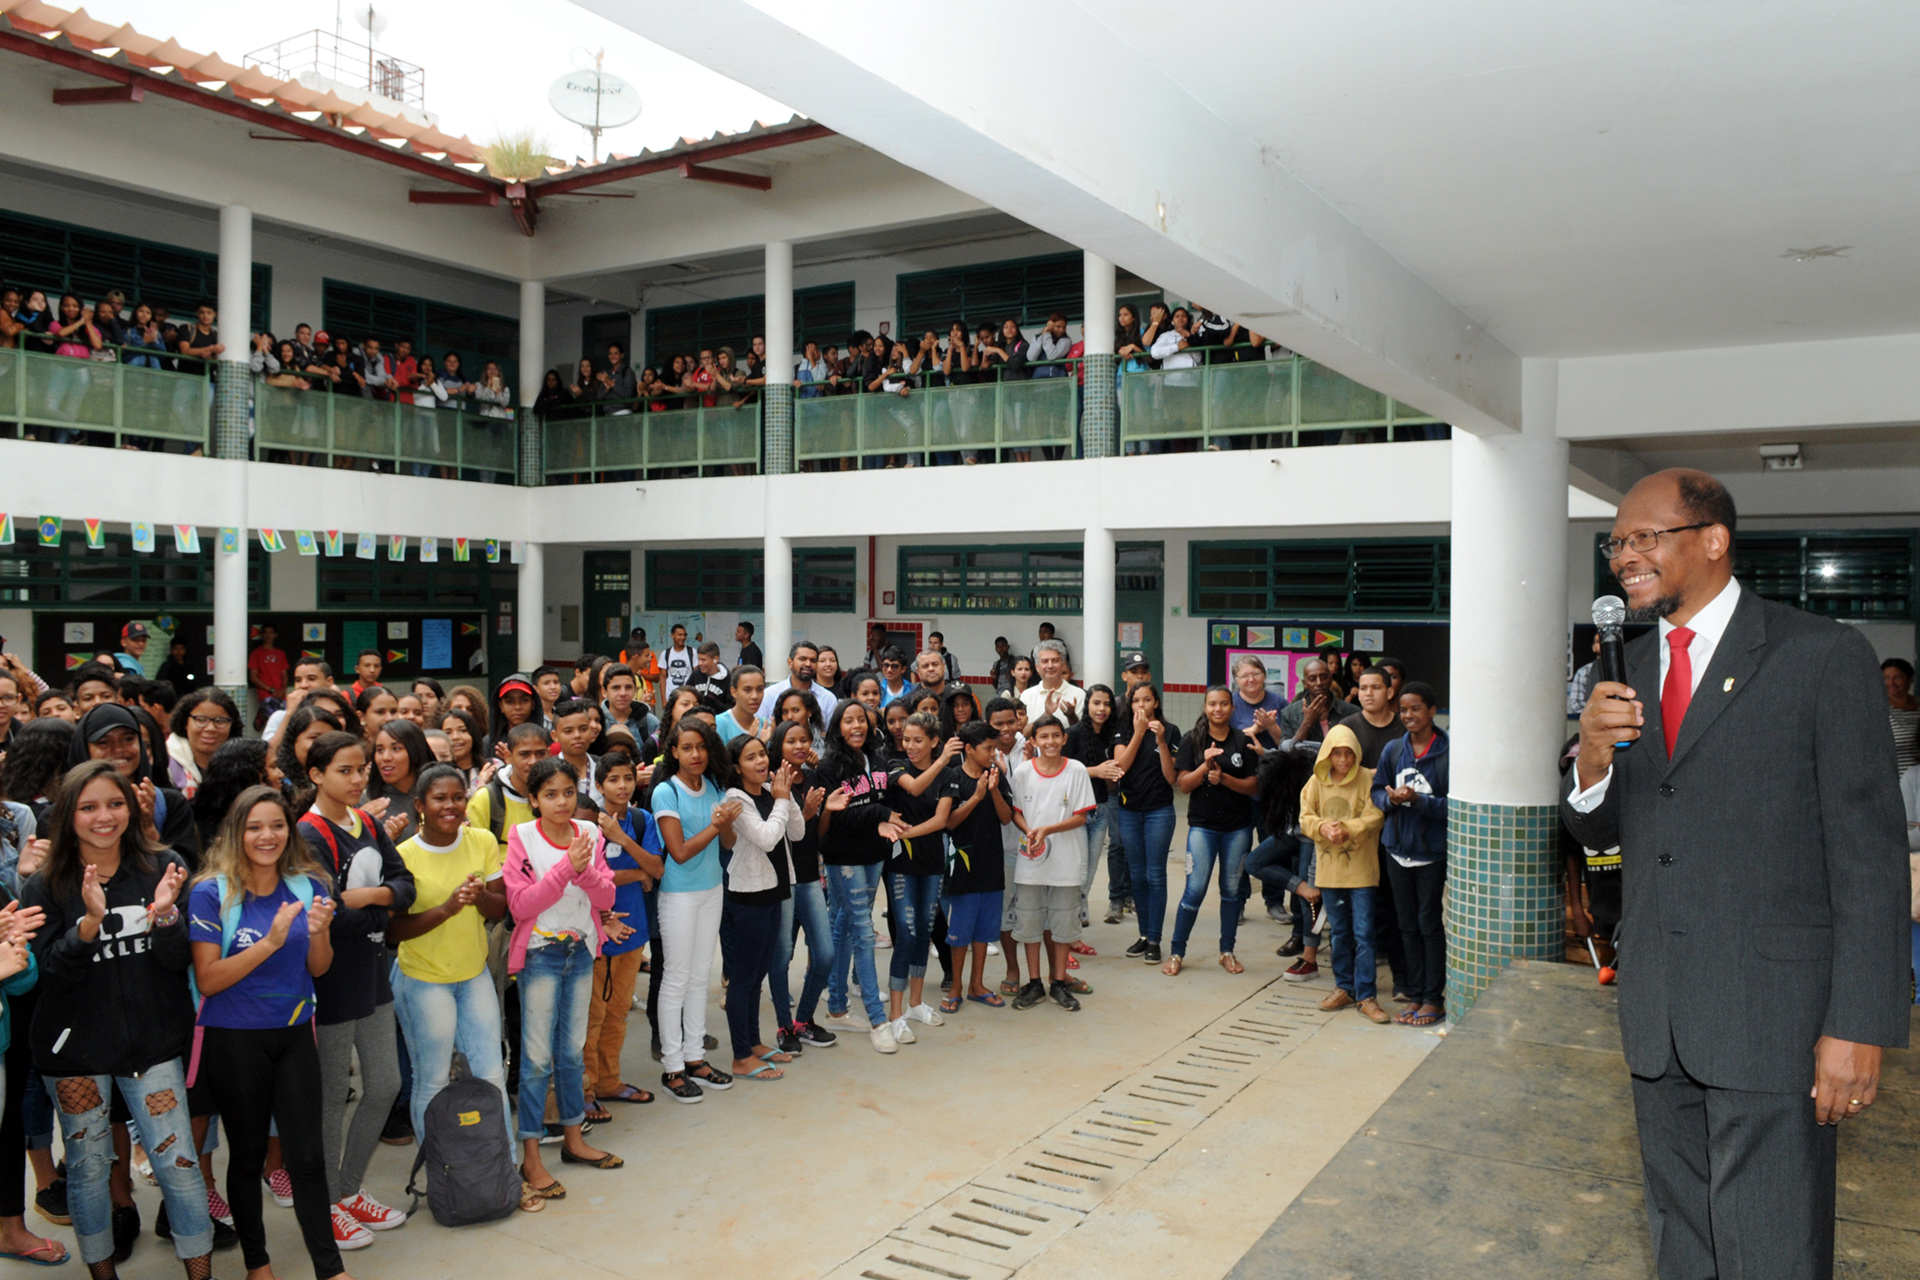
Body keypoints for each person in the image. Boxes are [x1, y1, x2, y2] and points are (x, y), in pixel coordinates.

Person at [1564, 468, 1910, 1278]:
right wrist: (1589, 756)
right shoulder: (1629, 672)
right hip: (1660, 1014)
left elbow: (1870, 860)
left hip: (1775, 1019)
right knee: (1681, 1241)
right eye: (1616, 543)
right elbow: (1599, 833)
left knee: (1772, 1246)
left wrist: (1859, 1023)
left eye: (1644, 538)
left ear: (1713, 540)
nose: (1623, 558)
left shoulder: (1821, 657)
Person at [23, 760, 217, 1280]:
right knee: (88, 1171)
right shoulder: (45, 886)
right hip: (74, 1055)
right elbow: (44, 977)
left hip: (153, 1048)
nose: (103, 817)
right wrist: (87, 925)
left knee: (179, 1168)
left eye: (114, 804)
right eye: (88, 807)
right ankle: (102, 1275)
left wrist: (167, 917)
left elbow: (180, 964)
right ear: (68, 816)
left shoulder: (164, 865)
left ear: (131, 809)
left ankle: (201, 1273)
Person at [187, 787, 347, 1280]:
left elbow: (319, 968)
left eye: (276, 825)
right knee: (248, 1153)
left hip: (295, 1033)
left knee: (308, 1156)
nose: (267, 836)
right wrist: (272, 941)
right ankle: (258, 1264)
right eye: (254, 826)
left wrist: (317, 931)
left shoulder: (309, 886)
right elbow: (209, 979)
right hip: (234, 1039)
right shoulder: (210, 892)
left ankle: (330, 1267)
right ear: (237, 832)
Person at [296, 732, 416, 1249]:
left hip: (372, 969)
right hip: (330, 977)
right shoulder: (308, 832)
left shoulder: (365, 821)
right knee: (328, 1099)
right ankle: (325, 1205)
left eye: (361, 768)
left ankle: (348, 1190)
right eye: (344, 770)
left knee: (385, 1083)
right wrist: (378, 906)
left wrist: (369, 896)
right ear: (316, 774)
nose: (357, 777)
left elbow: (406, 887)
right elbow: (324, 911)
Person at [504, 758, 620, 1197]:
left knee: (571, 1053)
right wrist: (566, 868)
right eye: (550, 794)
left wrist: (584, 868)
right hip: (540, 955)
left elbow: (606, 894)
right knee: (535, 1060)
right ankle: (531, 1156)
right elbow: (521, 906)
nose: (561, 802)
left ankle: (574, 1138)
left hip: (581, 951)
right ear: (533, 799)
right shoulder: (523, 837)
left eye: (568, 792)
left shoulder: (590, 834)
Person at [387, 765, 510, 1151]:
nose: (451, 806)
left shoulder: (482, 841)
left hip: (474, 975)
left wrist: (478, 899)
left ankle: (503, 1167)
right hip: (424, 980)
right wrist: (446, 909)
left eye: (458, 797)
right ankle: (437, 1171)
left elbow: (499, 908)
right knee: (433, 1078)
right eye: (440, 798)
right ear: (420, 805)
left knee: (492, 1074)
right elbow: (392, 931)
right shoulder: (402, 856)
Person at [650, 719, 742, 1100]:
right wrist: (716, 823)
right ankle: (672, 1067)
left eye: (701, 747)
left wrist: (724, 825)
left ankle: (695, 1058)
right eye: (687, 748)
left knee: (700, 975)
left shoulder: (716, 786)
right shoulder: (664, 792)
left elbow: (728, 842)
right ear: (674, 751)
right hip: (679, 895)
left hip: (711, 890)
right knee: (676, 978)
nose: (696, 755)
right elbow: (680, 852)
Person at [815, 702, 901, 1053]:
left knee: (844, 925)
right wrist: (878, 814)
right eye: (848, 721)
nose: (856, 726)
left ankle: (836, 1007)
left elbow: (883, 799)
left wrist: (883, 818)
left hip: (874, 854)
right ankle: (879, 1020)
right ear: (837, 727)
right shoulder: (829, 766)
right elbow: (832, 819)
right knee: (864, 934)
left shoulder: (877, 759)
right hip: (843, 859)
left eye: (861, 720)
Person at [719, 737, 803, 1081]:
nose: (760, 761)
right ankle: (740, 1056)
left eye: (762, 754)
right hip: (749, 895)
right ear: (737, 766)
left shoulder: (772, 791)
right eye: (750, 757)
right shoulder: (735, 799)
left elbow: (796, 832)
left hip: (775, 891)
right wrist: (781, 800)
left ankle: (753, 1043)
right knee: (742, 979)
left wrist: (786, 795)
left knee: (758, 976)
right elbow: (768, 838)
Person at [1165, 688, 1260, 976]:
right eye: (1212, 704)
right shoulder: (1193, 739)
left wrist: (1225, 778)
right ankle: (1177, 953)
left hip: (1237, 828)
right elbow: (1183, 784)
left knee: (1231, 892)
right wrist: (1205, 768)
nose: (1218, 709)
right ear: (1205, 707)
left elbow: (1254, 786)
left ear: (1232, 708)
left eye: (1223, 704)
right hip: (1203, 827)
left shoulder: (1242, 740)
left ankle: (1227, 951)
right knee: (1194, 890)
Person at [584, 750, 658, 1110]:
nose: (622, 785)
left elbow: (657, 867)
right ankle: (585, 1088)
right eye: (613, 779)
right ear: (599, 785)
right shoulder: (586, 823)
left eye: (628, 778)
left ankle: (608, 1080)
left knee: (617, 1011)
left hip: (633, 931)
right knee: (591, 1014)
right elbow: (591, 876)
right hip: (596, 931)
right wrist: (638, 873)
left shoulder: (642, 820)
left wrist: (624, 840)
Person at [1300, 725, 1389, 1023]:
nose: (1342, 760)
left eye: (1348, 753)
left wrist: (1349, 828)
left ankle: (1366, 995)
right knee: (1339, 933)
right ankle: (1344, 988)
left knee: (1364, 934)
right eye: (1336, 753)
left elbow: (1376, 815)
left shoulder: (1366, 779)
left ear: (1356, 754)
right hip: (1329, 872)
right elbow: (1305, 818)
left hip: (1362, 872)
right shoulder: (1315, 782)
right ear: (1327, 754)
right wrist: (1323, 827)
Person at [1371, 681, 1448, 1027]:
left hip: (1430, 853)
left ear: (1432, 711)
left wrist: (1420, 801)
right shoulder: (1392, 750)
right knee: (1406, 925)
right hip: (1396, 850)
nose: (1409, 715)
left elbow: (1454, 806)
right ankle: (1415, 994)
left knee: (1428, 923)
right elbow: (1376, 792)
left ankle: (1434, 997)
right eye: (1403, 710)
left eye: (1416, 708)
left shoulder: (1448, 754)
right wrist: (1391, 800)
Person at [1006, 716, 1094, 1011]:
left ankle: (1058, 982)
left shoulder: (1077, 770)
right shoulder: (1022, 772)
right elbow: (1016, 811)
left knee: (1063, 925)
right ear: (1035, 741)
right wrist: (1029, 830)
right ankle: (1034, 983)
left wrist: (1046, 830)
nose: (1051, 742)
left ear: (1064, 738)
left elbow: (1081, 816)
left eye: (1056, 736)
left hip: (1066, 864)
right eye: (1044, 737)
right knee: (1029, 923)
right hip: (1030, 863)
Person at [1336, 668, 1412, 1003]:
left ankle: (1402, 980)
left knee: (1395, 908)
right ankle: (1350, 984)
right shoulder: (1347, 728)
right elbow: (1333, 773)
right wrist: (1374, 776)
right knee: (1355, 915)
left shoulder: (1402, 729)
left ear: (1390, 691)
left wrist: (1369, 775)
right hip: (1355, 831)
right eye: (1363, 688)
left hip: (1395, 827)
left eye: (1376, 687)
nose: (1368, 694)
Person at [882, 713, 955, 1039]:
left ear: (934, 741)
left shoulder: (949, 775)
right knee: (907, 935)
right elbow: (913, 789)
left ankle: (914, 1003)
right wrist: (940, 762)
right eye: (906, 739)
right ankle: (895, 1014)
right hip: (900, 867)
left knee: (924, 934)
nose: (909, 746)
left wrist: (907, 834)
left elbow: (941, 820)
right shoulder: (895, 766)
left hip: (931, 864)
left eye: (917, 740)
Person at [942, 721, 1012, 1011]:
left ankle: (977, 984)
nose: (993, 754)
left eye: (995, 748)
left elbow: (1006, 817)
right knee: (960, 931)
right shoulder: (952, 777)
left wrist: (993, 791)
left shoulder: (996, 776)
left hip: (991, 864)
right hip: (962, 867)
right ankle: (956, 985)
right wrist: (976, 797)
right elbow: (949, 821)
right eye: (988, 748)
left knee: (984, 930)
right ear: (969, 749)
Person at [1109, 682, 1177, 964]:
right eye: (1136, 700)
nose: (1141, 705)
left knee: (1155, 875)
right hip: (1129, 811)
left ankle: (1156, 939)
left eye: (1147, 700)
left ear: (1156, 703)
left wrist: (1160, 740)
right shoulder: (1123, 729)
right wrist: (1138, 734)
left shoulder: (1170, 731)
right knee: (1136, 875)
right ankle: (1143, 935)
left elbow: (1172, 777)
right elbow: (1119, 768)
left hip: (1159, 811)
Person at [763, 641, 838, 726]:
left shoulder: (828, 698)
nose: (808, 664)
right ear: (790, 663)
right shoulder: (769, 695)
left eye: (813, 660)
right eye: (802, 659)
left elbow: (830, 735)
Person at [1019, 638, 1083, 727]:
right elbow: (1021, 734)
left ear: (1063, 665)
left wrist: (1071, 716)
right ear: (1037, 667)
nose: (1050, 666)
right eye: (1045, 661)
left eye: (1055, 660)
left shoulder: (1079, 695)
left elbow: (1082, 734)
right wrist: (1046, 714)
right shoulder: (1027, 696)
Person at [716, 666, 766, 746]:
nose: (755, 696)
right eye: (747, 690)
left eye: (760, 689)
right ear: (734, 692)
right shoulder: (719, 724)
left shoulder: (765, 725)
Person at [1886, 657, 1919, 776]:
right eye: (1886, 678)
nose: (1891, 683)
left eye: (1898, 677)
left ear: (1910, 678)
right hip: (1893, 781)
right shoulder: (1877, 710)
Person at [659, 625, 695, 702]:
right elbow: (662, 677)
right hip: (670, 696)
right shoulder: (665, 654)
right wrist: (663, 700)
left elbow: (697, 675)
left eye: (684, 635)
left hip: (688, 696)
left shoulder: (692, 652)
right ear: (672, 635)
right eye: (679, 635)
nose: (683, 637)